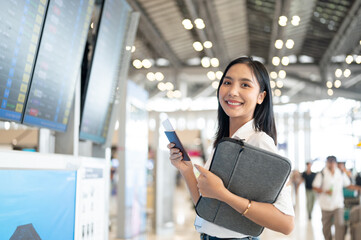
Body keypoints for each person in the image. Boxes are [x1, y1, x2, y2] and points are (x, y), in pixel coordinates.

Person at [167, 57, 294, 240]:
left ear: (261, 96)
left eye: (245, 85)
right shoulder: (224, 143)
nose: (233, 91)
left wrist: (224, 194)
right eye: (227, 82)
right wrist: (186, 169)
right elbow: (208, 209)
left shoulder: (259, 142)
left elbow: (286, 223)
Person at [312, 156, 361, 240]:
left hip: (338, 205)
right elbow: (315, 187)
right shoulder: (322, 173)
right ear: (327, 163)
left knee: (340, 225)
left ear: (335, 163)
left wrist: (358, 188)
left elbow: (348, 185)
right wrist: (324, 191)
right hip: (325, 205)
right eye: (329, 162)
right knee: (326, 228)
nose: (331, 164)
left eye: (333, 162)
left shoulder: (340, 173)